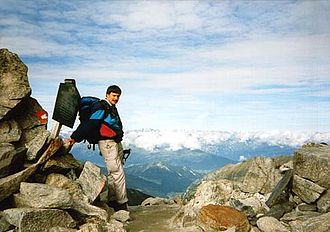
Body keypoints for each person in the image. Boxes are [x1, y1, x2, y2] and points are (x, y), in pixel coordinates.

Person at [66, 85, 128, 211]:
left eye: (118, 96)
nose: (116, 98)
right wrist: (74, 137)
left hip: (114, 142)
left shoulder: (111, 107)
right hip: (107, 143)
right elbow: (90, 123)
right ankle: (121, 203)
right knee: (117, 172)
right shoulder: (101, 106)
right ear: (107, 94)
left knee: (113, 172)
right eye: (113, 95)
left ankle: (112, 200)